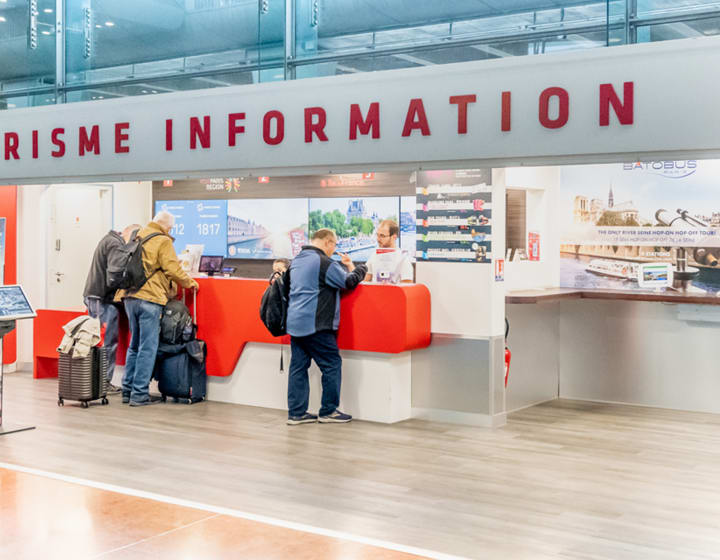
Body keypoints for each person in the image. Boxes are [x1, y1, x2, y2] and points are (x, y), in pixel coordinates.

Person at [117, 211, 199, 406]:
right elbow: (172, 269)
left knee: (134, 345)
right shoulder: (163, 241)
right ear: (167, 227)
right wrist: (189, 283)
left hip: (129, 296)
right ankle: (139, 394)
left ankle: (127, 390)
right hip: (150, 298)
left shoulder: (137, 234)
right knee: (148, 347)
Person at [286, 228, 367, 425]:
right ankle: (328, 411)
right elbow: (348, 282)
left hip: (295, 322)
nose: (334, 250)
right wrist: (361, 269)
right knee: (332, 365)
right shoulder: (324, 262)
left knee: (298, 367)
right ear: (328, 242)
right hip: (317, 324)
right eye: (334, 245)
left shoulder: (297, 260)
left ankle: (296, 413)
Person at [83, 224, 140, 392]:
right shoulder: (116, 244)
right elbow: (113, 276)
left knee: (101, 341)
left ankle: (97, 381)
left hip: (97, 297)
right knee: (106, 342)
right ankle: (102, 382)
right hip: (101, 299)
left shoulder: (109, 240)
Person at [364, 219, 413, 283]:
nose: (378, 239)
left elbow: (407, 289)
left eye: (382, 236)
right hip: (375, 292)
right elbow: (363, 281)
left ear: (394, 237)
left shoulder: (403, 259)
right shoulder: (374, 256)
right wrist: (350, 264)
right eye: (377, 235)